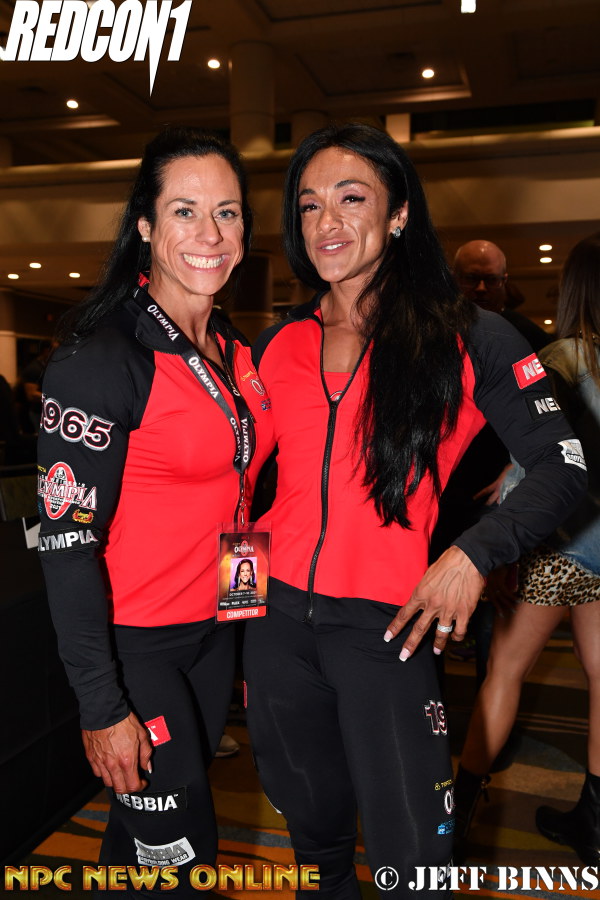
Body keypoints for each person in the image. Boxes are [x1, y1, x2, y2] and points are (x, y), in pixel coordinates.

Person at [242, 123, 586, 899]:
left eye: (351, 198)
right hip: (276, 632)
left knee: (414, 869)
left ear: (399, 213)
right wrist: (241, 617)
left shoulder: (470, 336)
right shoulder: (275, 345)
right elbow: (245, 491)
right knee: (315, 848)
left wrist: (473, 555)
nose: (326, 221)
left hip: (388, 629)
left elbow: (564, 463)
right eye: (309, 205)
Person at [36, 127, 273, 892]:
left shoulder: (234, 350)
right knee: (182, 848)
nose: (210, 233)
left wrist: (243, 626)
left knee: (141, 841)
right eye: (185, 211)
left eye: (227, 212)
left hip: (211, 636)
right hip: (137, 649)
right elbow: (65, 547)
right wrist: (102, 707)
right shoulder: (102, 356)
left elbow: (240, 497)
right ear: (144, 224)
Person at [454, 232, 600, 867]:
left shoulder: (560, 358)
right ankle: (594, 822)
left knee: (506, 671)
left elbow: (544, 454)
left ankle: (458, 814)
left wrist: (506, 510)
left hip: (558, 543)